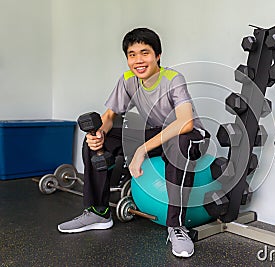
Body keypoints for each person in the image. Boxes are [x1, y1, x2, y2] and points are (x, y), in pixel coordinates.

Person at [57, 28, 209, 258]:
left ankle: (177, 227)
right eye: (132, 54)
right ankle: (98, 211)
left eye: (144, 53)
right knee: (95, 143)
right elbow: (109, 116)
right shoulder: (128, 79)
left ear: (158, 55)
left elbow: (185, 123)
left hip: (188, 136)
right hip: (158, 133)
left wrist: (140, 150)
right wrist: (99, 134)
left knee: (180, 143)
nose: (138, 60)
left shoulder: (172, 79)